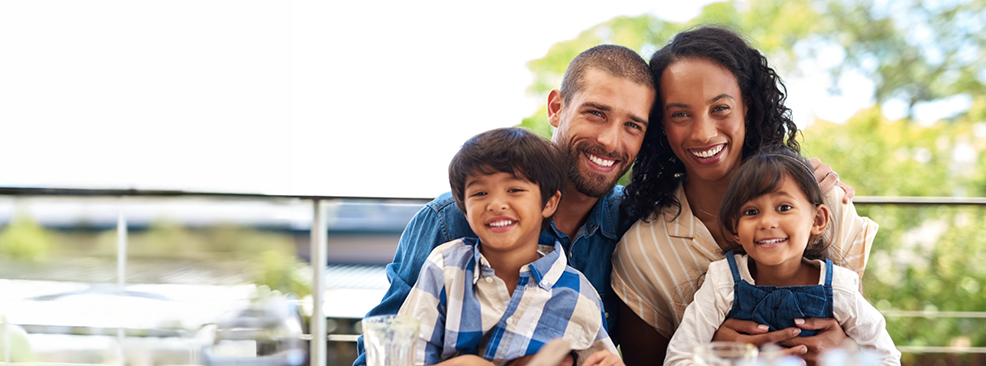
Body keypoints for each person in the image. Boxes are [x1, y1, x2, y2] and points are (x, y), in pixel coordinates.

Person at [354, 44, 657, 366]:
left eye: (632, 125)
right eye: (596, 113)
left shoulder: (636, 224)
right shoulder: (448, 225)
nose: (611, 140)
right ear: (556, 107)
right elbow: (382, 356)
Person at [611, 26, 878, 365]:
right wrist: (710, 351)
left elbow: (868, 335)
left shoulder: (824, 206)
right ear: (661, 124)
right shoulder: (642, 253)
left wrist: (845, 349)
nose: (704, 133)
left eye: (720, 108)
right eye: (680, 114)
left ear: (747, 108)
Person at [397, 127, 622, 366]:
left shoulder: (580, 297)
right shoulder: (445, 268)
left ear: (548, 203)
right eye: (480, 192)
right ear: (464, 208)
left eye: (514, 190)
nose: (496, 204)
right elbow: (402, 358)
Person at [663, 148, 900, 366]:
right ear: (735, 229)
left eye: (784, 207)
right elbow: (678, 359)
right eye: (752, 212)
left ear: (817, 220)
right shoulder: (722, 281)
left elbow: (887, 359)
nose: (766, 222)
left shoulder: (840, 287)